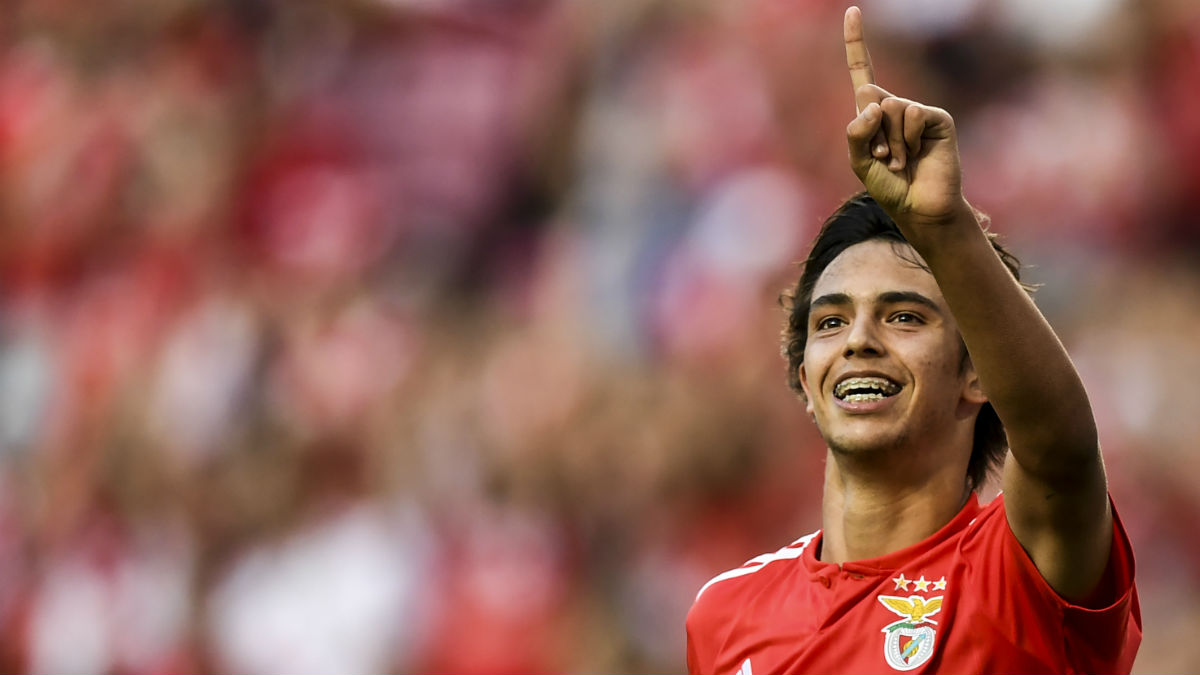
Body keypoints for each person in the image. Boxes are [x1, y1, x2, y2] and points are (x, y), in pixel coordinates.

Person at [684, 7, 1141, 674]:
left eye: (903, 316)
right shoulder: (723, 614)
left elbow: (1062, 449)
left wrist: (946, 224)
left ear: (977, 372)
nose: (858, 340)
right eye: (830, 322)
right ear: (805, 381)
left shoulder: (1021, 568)